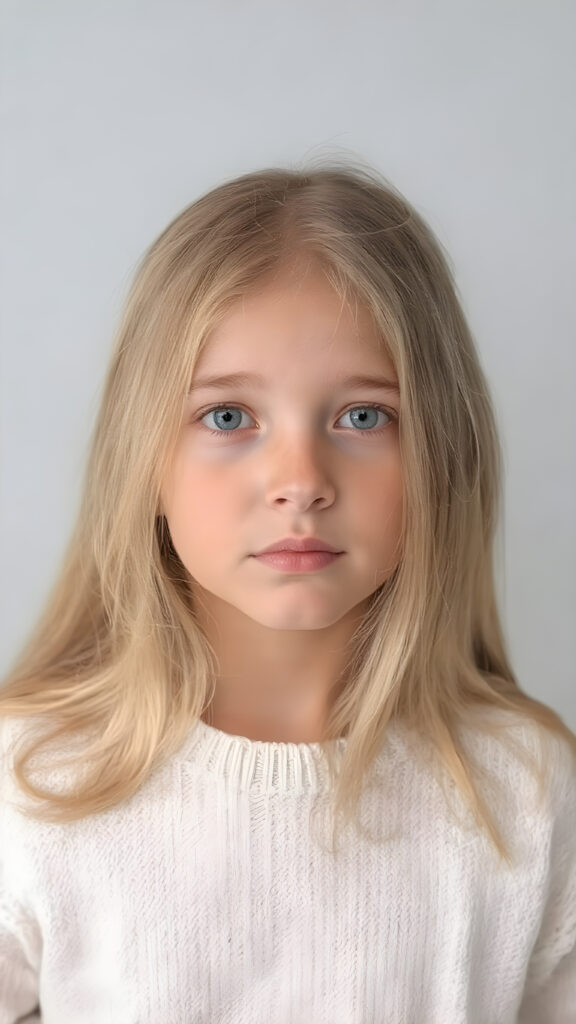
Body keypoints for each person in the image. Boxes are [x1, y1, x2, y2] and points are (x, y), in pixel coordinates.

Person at [0, 161, 574, 1023]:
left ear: (443, 455)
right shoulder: (31, 784)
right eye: (228, 417)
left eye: (363, 417)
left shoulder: (524, 792)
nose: (300, 481)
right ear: (142, 457)